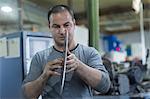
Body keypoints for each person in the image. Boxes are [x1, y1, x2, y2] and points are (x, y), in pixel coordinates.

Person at [22, 5, 110, 99]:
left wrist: (79, 66)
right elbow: (26, 95)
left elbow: (104, 86)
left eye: (66, 25)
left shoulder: (90, 53)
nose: (62, 31)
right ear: (49, 27)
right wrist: (44, 76)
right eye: (56, 26)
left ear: (74, 24)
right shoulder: (40, 57)